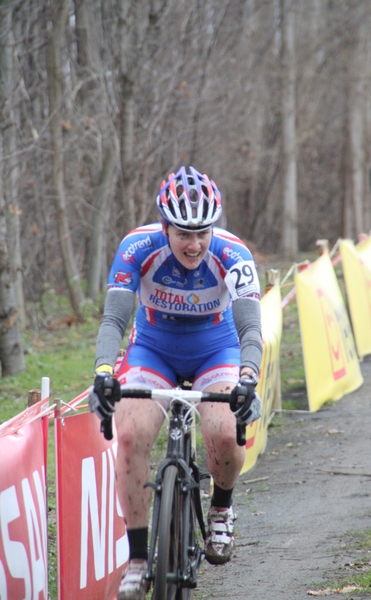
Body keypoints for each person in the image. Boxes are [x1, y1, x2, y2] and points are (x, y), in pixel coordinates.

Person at [88, 166, 263, 600]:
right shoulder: (137, 247)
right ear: (164, 226)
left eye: (202, 232)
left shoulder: (234, 253)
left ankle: (221, 509)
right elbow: (114, 318)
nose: (194, 243)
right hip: (154, 349)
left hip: (214, 350)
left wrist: (248, 378)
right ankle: (138, 557)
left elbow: (251, 331)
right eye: (183, 233)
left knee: (224, 432)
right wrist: (103, 371)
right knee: (129, 435)